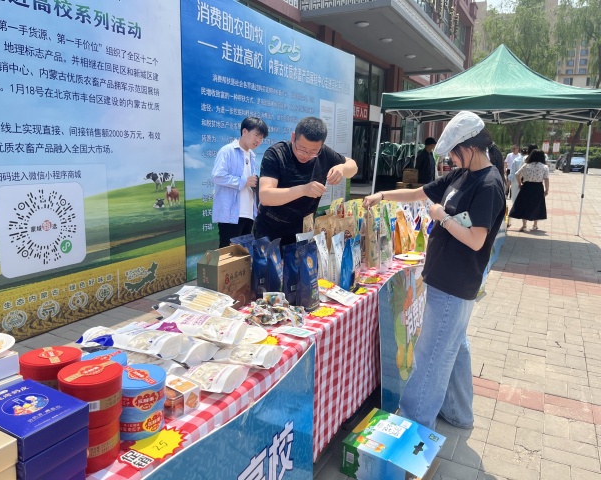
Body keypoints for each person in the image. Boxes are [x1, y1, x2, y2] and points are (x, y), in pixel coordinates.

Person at [363, 111, 506, 431]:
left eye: (454, 153)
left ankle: (412, 422)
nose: (451, 159)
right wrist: (382, 195)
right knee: (454, 346)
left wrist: (442, 217)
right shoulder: (463, 175)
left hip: (456, 281)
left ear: (470, 148)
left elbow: (475, 239)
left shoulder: (488, 184)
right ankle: (458, 412)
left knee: (431, 356)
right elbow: (419, 193)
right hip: (444, 276)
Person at [254, 116, 358, 245]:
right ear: (293, 137)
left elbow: (353, 167)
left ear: (321, 146)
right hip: (270, 232)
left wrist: (342, 168)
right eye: (302, 149)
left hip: (302, 232)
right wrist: (304, 190)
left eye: (313, 151)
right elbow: (266, 196)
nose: (306, 155)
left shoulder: (324, 154)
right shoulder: (276, 154)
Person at [212, 117, 269, 247]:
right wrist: (244, 181)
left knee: (243, 255)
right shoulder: (227, 151)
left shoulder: (252, 156)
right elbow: (217, 176)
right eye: (256, 135)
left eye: (261, 138)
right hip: (231, 215)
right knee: (228, 254)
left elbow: (250, 183)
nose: (258, 141)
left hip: (248, 214)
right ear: (244, 131)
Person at [508, 149, 549, 231]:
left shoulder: (526, 165)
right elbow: (546, 179)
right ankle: (535, 225)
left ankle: (524, 225)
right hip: (538, 187)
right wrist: (547, 190)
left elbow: (517, 174)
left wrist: (520, 184)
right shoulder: (544, 167)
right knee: (537, 205)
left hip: (526, 186)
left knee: (524, 205)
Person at [507, 144, 536, 227]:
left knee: (514, 202)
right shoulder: (532, 161)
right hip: (526, 183)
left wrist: (509, 181)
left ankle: (508, 221)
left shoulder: (516, 160)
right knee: (525, 203)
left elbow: (512, 173)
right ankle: (527, 223)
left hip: (516, 183)